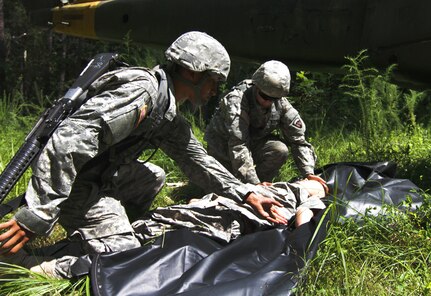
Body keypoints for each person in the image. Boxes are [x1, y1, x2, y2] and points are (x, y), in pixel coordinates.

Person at [0, 32, 286, 278]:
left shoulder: (165, 108)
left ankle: (109, 229)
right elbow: (69, 142)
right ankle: (31, 266)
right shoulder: (143, 93)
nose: (215, 90)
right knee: (126, 258)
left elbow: (197, 160)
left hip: (101, 172)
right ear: (193, 72)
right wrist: (38, 214)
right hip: (78, 181)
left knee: (154, 177)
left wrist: (246, 192)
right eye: (214, 80)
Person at [205, 60, 326, 188]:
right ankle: (250, 184)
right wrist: (253, 183)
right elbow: (238, 144)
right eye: (264, 96)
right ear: (256, 87)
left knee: (279, 150)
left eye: (274, 99)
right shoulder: (237, 101)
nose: (268, 102)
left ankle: (261, 185)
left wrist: (308, 173)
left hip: (252, 143)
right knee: (221, 189)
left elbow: (299, 141)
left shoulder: (282, 104)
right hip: (222, 149)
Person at [133, 178, 328, 244]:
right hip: (225, 206)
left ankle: (127, 238)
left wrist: (302, 238)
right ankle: (126, 237)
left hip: (236, 215)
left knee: (173, 221)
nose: (303, 180)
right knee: (176, 218)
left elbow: (306, 214)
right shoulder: (273, 186)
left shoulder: (307, 197)